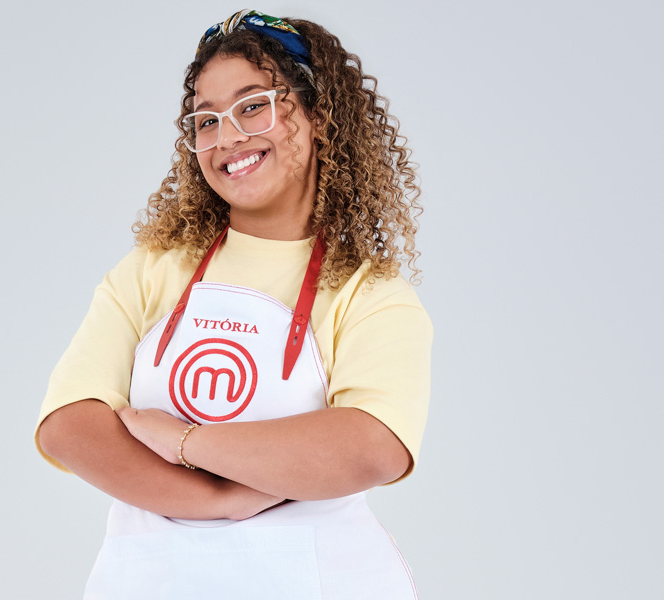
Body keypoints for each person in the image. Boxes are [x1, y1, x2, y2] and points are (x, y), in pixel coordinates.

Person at [35, 9, 432, 599]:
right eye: (206, 120)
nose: (227, 138)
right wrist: (218, 500)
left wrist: (182, 441)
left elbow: (371, 448)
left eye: (252, 107)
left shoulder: (369, 293)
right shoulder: (152, 270)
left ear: (319, 117)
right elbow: (68, 426)